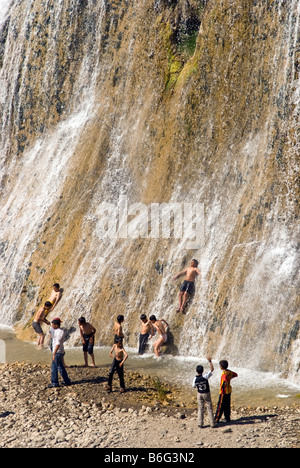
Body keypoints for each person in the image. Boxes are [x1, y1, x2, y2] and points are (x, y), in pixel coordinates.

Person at [193, 357, 215, 428]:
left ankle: (200, 423)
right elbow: (212, 370)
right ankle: (212, 423)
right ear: (203, 371)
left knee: (200, 408)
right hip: (206, 393)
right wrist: (210, 361)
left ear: (196, 371)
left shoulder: (195, 379)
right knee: (209, 408)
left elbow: (193, 386)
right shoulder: (205, 376)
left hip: (200, 394)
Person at [49, 318, 71, 388]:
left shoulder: (58, 332)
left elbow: (57, 344)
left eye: (53, 325)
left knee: (54, 367)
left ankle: (54, 382)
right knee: (60, 366)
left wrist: (54, 353)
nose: (52, 326)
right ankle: (66, 381)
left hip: (57, 352)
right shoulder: (61, 331)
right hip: (61, 351)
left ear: (56, 325)